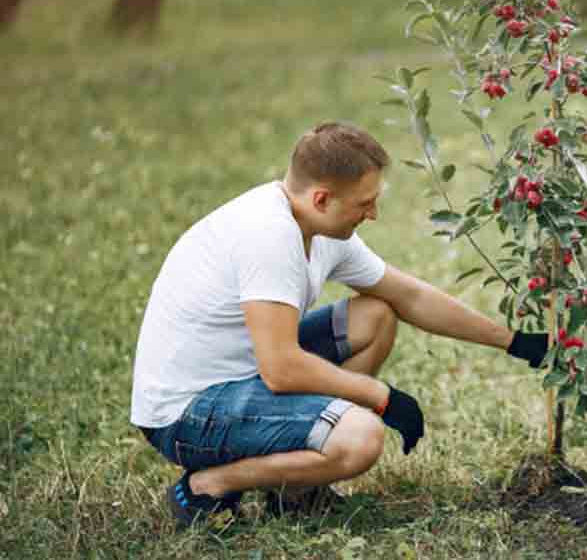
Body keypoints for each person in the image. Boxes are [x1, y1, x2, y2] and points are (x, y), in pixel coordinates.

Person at [130, 122, 549, 526]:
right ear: (321, 199)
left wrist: (513, 342)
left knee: (377, 315)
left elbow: (410, 296)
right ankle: (209, 486)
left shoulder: (321, 229)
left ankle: (294, 490)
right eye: (365, 204)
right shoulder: (269, 236)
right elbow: (281, 370)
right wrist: (381, 397)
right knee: (360, 438)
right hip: (186, 413)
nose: (374, 214)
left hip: (243, 379)